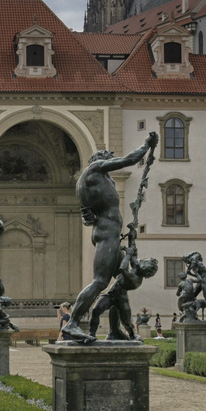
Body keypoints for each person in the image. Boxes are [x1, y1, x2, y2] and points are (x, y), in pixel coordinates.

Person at [61, 130, 160, 343]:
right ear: (101, 160)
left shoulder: (95, 180)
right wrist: (147, 144)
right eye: (108, 156)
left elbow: (88, 215)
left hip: (109, 233)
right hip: (107, 235)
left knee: (121, 287)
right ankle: (72, 323)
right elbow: (128, 160)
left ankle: (116, 330)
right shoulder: (95, 169)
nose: (111, 160)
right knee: (100, 282)